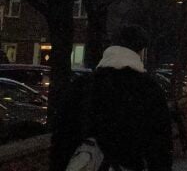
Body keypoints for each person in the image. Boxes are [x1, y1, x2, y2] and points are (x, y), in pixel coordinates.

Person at [52, 24, 173, 171]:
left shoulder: (82, 85)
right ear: (140, 52)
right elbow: (160, 146)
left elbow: (61, 138)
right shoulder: (149, 89)